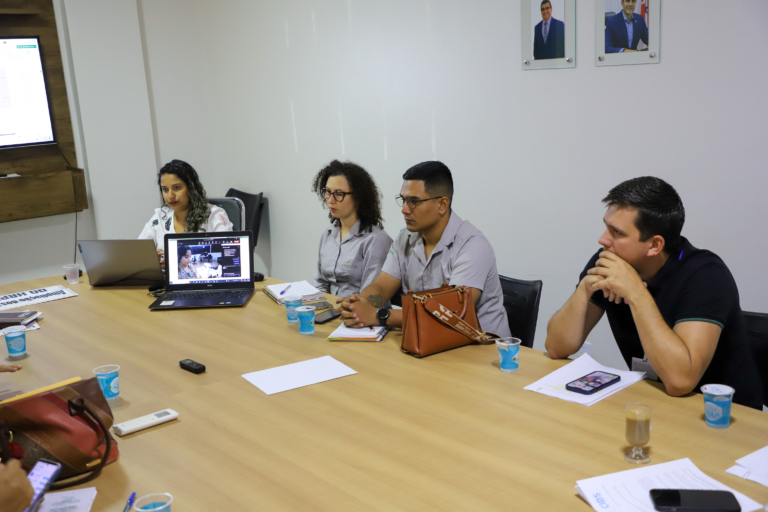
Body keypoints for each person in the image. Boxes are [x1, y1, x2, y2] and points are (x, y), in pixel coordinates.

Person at [544, 177, 763, 409]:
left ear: (655, 245)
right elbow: (556, 347)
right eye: (606, 226)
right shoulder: (611, 261)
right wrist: (585, 288)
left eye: (616, 232)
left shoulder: (706, 276)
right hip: (658, 401)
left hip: (721, 414)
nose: (602, 239)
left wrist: (636, 293)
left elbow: (680, 381)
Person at [339, 161, 511, 337]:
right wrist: (359, 304)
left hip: (481, 346)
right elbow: (382, 286)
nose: (404, 210)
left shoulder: (472, 246)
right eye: (403, 200)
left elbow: (451, 314)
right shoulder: (405, 238)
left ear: (442, 205)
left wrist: (380, 315)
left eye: (414, 202)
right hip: (428, 339)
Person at [311, 160, 393, 298]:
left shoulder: (375, 240)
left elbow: (370, 296)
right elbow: (321, 282)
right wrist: (321, 305)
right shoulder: (328, 235)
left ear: (358, 197)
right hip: (330, 308)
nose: (330, 200)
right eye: (328, 192)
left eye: (339, 194)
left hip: (358, 310)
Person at [139, 159, 232, 263]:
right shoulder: (160, 216)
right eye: (165, 189)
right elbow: (138, 251)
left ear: (191, 188)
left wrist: (172, 261)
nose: (170, 196)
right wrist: (153, 257)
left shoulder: (215, 216)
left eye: (176, 188)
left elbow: (228, 255)